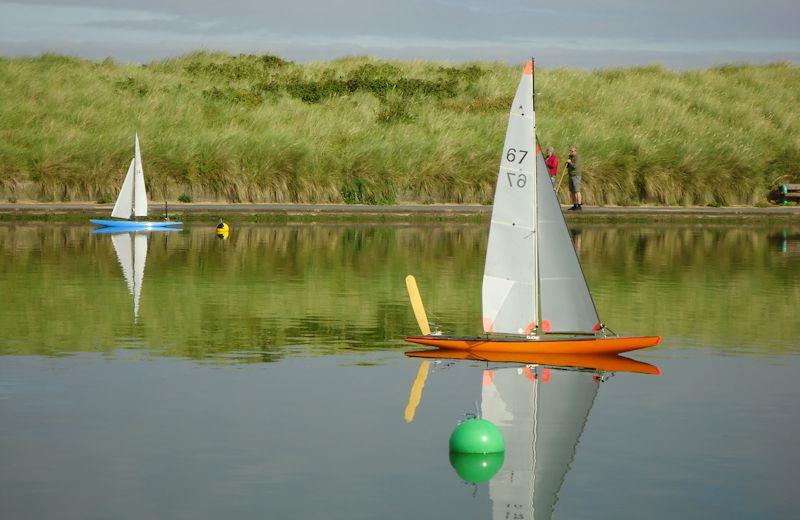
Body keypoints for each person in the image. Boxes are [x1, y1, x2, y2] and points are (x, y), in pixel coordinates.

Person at [566, 146, 582, 210]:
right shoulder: (571, 157)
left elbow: (575, 166)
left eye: (572, 151)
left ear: (575, 151)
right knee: (572, 191)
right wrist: (567, 163)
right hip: (571, 175)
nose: (571, 152)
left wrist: (570, 162)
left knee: (577, 190)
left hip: (576, 176)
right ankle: (575, 205)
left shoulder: (577, 158)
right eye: (570, 151)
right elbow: (568, 166)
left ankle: (579, 205)